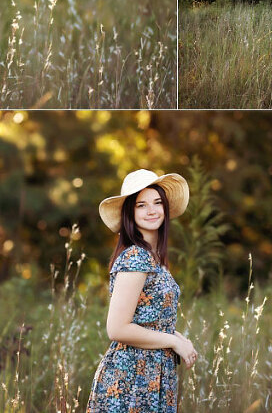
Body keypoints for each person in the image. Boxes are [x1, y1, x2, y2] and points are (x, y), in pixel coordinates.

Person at [87, 169, 198, 413]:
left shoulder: (153, 258)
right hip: (132, 379)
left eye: (158, 203)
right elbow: (117, 328)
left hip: (153, 376)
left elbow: (146, 320)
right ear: (130, 212)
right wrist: (171, 341)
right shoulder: (136, 256)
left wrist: (176, 337)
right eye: (141, 205)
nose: (152, 210)